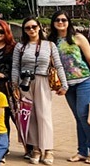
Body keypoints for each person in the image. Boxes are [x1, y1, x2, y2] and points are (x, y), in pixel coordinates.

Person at [47, 11, 90, 164]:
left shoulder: (77, 38)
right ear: (53, 23)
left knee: (84, 116)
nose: (61, 22)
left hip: (85, 81)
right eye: (57, 20)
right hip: (67, 86)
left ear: (68, 21)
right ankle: (82, 151)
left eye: (64, 19)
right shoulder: (51, 41)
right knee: (79, 118)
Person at [12, 17, 68, 165]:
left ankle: (48, 149)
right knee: (30, 115)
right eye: (28, 28)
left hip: (42, 80)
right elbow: (15, 67)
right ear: (24, 30)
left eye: (34, 27)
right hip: (25, 82)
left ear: (39, 27)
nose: (31, 30)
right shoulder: (20, 47)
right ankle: (36, 148)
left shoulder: (49, 45)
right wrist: (14, 85)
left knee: (44, 115)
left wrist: (64, 84)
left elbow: (58, 65)